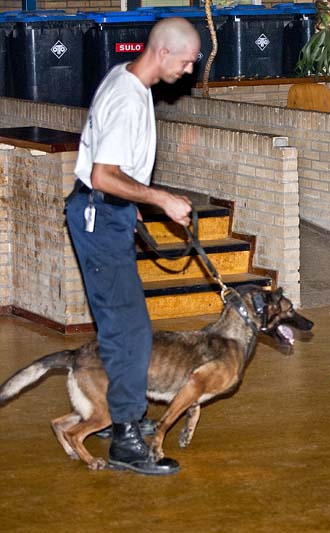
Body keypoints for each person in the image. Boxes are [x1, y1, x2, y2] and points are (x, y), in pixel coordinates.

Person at [64, 18, 201, 476]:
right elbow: (104, 174)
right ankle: (125, 436)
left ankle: (114, 419)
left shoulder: (129, 81)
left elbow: (114, 172)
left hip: (107, 214)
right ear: (162, 52)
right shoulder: (127, 96)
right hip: (98, 216)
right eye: (184, 62)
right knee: (132, 334)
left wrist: (132, 203)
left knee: (123, 328)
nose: (187, 72)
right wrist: (159, 197)